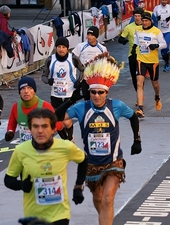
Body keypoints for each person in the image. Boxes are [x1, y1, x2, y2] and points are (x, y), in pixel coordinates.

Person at [60, 53, 142, 225]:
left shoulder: (116, 106)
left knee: (107, 199)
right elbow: (56, 117)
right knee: (98, 200)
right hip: (91, 165)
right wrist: (69, 101)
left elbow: (133, 117)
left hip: (113, 162)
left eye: (100, 92)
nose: (96, 96)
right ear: (89, 92)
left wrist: (137, 140)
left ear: (106, 92)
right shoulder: (82, 107)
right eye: (93, 92)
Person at [4, 108, 88, 225]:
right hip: (33, 215)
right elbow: (8, 180)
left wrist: (78, 186)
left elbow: (83, 160)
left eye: (45, 126)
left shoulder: (66, 147)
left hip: (60, 214)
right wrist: (21, 185)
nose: (40, 131)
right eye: (35, 126)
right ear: (30, 129)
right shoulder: (21, 151)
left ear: (53, 129)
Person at [5, 76, 65, 143]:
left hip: (44, 147)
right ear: (19, 92)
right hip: (25, 148)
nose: (26, 91)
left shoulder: (45, 105)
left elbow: (59, 124)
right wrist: (10, 132)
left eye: (29, 88)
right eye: (23, 88)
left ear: (34, 91)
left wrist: (47, 129)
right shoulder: (15, 107)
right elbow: (11, 124)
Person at [133, 12, 167, 117]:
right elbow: (136, 42)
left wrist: (155, 45)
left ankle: (157, 96)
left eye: (146, 20)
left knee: (155, 84)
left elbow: (164, 44)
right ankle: (140, 108)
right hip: (141, 60)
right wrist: (134, 49)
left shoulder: (156, 31)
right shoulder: (138, 30)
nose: (144, 22)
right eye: (143, 21)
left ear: (151, 21)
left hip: (153, 62)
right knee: (139, 83)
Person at [42, 37, 84, 108]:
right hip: (55, 94)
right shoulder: (50, 59)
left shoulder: (73, 58)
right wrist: (48, 81)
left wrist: (79, 81)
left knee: (68, 117)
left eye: (64, 47)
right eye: (59, 47)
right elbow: (43, 76)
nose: (61, 49)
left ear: (67, 48)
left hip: (70, 93)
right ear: (56, 47)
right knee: (56, 117)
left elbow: (83, 70)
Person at [72, 26, 107, 100]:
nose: (89, 37)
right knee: (86, 98)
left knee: (96, 98)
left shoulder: (102, 49)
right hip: (84, 78)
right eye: (88, 34)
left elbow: (105, 63)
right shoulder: (80, 46)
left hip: (97, 78)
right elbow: (73, 59)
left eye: (92, 35)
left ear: (96, 36)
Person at [118, 7, 144, 95]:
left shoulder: (146, 27)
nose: (137, 18)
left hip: (143, 55)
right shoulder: (129, 27)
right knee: (134, 77)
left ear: (142, 16)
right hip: (132, 55)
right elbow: (120, 39)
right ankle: (138, 94)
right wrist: (124, 41)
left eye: (139, 16)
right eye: (135, 16)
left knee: (140, 77)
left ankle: (140, 94)